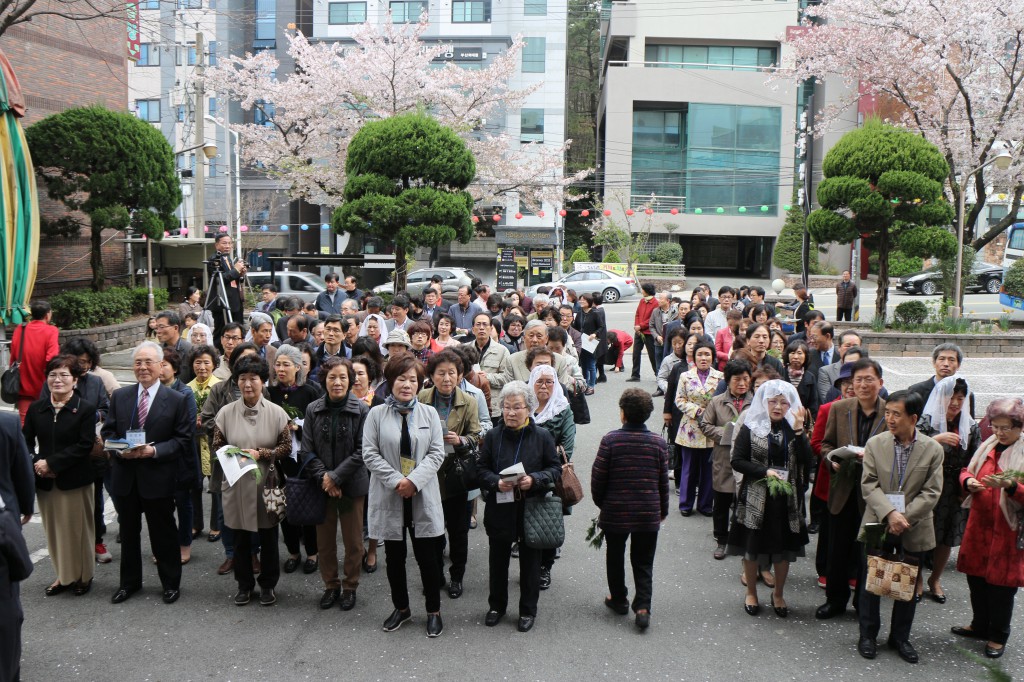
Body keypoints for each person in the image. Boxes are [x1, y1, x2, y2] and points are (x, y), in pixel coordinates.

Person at [362, 354, 447, 638]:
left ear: (419, 383)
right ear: (391, 381)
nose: (407, 385)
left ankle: (433, 611)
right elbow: (369, 454)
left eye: (413, 379)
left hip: (421, 494)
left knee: (428, 558)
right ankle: (402, 608)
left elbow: (436, 453)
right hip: (390, 494)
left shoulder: (430, 414)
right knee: (395, 559)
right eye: (401, 379)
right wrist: (398, 480)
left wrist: (413, 481)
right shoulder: (376, 414)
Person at [101, 341, 192, 605]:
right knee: (128, 533)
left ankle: (170, 583)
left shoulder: (175, 399)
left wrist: (153, 452)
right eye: (138, 362)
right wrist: (119, 450)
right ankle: (129, 583)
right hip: (126, 476)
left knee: (163, 533)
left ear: (161, 365)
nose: (142, 367)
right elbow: (108, 433)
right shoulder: (120, 396)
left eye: (148, 362)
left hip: (158, 476)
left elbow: (182, 440)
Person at [856, 390, 942, 664]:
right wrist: (891, 513)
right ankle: (867, 634)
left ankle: (900, 637)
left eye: (897, 414)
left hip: (913, 525)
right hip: (877, 519)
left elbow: (931, 492)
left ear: (913, 418)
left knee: (907, 582)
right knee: (872, 579)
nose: (890, 419)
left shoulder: (932, 449)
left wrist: (904, 518)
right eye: (888, 412)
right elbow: (868, 484)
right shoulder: (875, 444)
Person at [477, 381, 561, 633]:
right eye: (506, 407)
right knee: (498, 560)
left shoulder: (543, 436)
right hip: (500, 508)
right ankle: (497, 606)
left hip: (531, 507)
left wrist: (534, 479)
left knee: (530, 563)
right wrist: (495, 482)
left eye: (517, 407)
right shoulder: (492, 436)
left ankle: (527, 610)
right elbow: (481, 469)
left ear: (529, 409)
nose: (511, 413)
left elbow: (555, 469)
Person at [213, 355, 291, 606]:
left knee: (269, 538)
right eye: (242, 379)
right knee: (240, 538)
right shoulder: (225, 413)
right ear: (236, 382)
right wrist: (235, 453)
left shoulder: (277, 413)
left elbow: (286, 447)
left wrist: (263, 454)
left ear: (262, 381)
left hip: (267, 484)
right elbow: (217, 445)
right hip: (236, 483)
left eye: (253, 379)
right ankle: (244, 585)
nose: (248, 384)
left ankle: (268, 585)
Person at [728, 380, 811, 618]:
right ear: (763, 402)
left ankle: (779, 594)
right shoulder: (752, 425)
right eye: (772, 401)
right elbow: (737, 460)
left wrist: (799, 431)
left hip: (786, 499)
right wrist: (764, 472)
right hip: (756, 495)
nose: (777, 406)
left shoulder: (792, 427)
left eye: (783, 402)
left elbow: (807, 459)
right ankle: (751, 592)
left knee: (783, 549)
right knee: (752, 547)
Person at [816, 358, 888, 620]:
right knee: (837, 550)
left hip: (875, 496)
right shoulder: (839, 408)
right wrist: (832, 459)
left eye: (869, 379)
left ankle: (863, 603)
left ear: (880, 382)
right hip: (843, 490)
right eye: (858, 380)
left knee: (868, 552)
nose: (863, 385)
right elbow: (825, 444)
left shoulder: (890, 412)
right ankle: (835, 600)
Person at [592, 388, 669, 630]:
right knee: (644, 560)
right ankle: (643, 606)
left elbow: (598, 477)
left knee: (615, 555)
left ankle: (619, 598)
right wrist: (662, 509)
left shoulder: (611, 440)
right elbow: (662, 482)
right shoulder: (658, 442)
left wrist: (602, 503)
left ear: (622, 413)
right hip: (648, 511)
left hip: (616, 510)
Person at [955, 397, 1024, 660]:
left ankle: (998, 635)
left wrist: (1011, 487)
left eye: (1006, 427)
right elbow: (965, 470)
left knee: (1001, 587)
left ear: (1019, 426)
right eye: (995, 426)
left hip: (1007, 529)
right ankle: (979, 624)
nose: (999, 432)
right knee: (976, 579)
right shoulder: (987, 446)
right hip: (980, 525)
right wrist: (969, 480)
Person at [24, 356, 97, 596]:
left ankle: (83, 576)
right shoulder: (37, 408)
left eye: (64, 375)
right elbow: (24, 443)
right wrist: (38, 464)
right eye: (53, 375)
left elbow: (84, 444)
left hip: (75, 479)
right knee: (54, 531)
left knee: (79, 529)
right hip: (45, 480)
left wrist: (53, 463)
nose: (58, 380)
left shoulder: (85, 408)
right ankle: (63, 576)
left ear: (75, 380)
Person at [302, 356, 370, 611]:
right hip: (322, 487)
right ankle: (330, 585)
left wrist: (336, 477)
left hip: (351, 487)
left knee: (353, 541)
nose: (338, 382)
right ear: (324, 380)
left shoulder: (362, 410)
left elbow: (363, 451)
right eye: (332, 377)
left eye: (343, 377)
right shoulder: (313, 409)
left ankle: (350, 586)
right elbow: (306, 451)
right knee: (325, 542)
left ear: (351, 380)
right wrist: (325, 478)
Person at [418, 350, 482, 600]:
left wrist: (461, 439)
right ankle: (435, 575)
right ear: (432, 376)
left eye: (451, 373)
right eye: (441, 373)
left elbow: (477, 436)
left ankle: (457, 576)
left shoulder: (469, 401)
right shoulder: (422, 397)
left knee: (458, 532)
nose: (446, 378)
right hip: (428, 475)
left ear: (459, 375)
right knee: (431, 531)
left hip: (456, 475)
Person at [916, 375, 981, 602]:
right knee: (922, 533)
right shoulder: (926, 421)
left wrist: (968, 483)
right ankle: (917, 579)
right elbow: (911, 449)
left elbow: (976, 459)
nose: (954, 403)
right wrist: (936, 439)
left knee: (946, 535)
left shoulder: (971, 426)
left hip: (955, 488)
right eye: (950, 397)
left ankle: (935, 578)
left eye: (960, 398)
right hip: (927, 485)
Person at [268, 344, 321, 575]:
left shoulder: (310, 391)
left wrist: (296, 427)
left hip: (303, 458)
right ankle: (292, 552)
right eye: (278, 364)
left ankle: (312, 552)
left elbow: (317, 426)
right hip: (278, 459)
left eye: (286, 364)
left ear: (297, 367)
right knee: (282, 507)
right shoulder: (270, 392)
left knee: (306, 506)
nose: (280, 369)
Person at [528, 363, 575, 590]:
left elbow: (566, 447)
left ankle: (545, 568)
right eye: (539, 381)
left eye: (549, 381)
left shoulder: (563, 409)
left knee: (545, 525)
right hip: (523, 476)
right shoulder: (524, 407)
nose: (544, 386)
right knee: (525, 523)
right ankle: (530, 568)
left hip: (550, 478)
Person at [701, 359, 753, 559]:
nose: (742, 383)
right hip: (723, 457)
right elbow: (705, 425)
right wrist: (727, 433)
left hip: (748, 459)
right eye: (737, 379)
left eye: (745, 379)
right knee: (722, 502)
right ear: (728, 380)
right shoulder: (717, 401)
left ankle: (740, 540)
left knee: (745, 501)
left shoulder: (756, 401)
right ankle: (721, 540)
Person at [156, 348, 201, 564]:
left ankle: (184, 545)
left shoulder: (185, 393)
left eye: (165, 364)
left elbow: (189, 427)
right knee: (161, 507)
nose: (161, 368)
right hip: (157, 460)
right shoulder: (151, 391)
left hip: (181, 458)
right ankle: (165, 546)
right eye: (159, 364)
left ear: (174, 369)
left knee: (184, 503)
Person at [0, 410, 33, 682]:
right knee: (7, 601)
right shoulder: (7, 422)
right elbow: (22, 471)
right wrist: (25, 506)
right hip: (3, 523)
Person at [674, 341, 722, 517]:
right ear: (694, 357)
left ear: (713, 357)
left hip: (713, 429)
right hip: (691, 428)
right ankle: (685, 504)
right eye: (700, 354)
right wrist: (698, 411)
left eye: (707, 354)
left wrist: (711, 414)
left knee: (709, 470)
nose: (704, 358)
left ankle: (705, 504)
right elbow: (679, 400)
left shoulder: (721, 377)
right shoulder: (685, 376)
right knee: (689, 469)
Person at [187, 345, 221, 542]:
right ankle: (195, 523)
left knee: (215, 483)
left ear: (214, 365)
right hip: (192, 442)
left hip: (213, 440)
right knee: (194, 483)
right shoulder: (187, 388)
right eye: (198, 362)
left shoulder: (219, 386)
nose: (202, 367)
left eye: (206, 362)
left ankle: (216, 525)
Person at [10, 300, 61, 423]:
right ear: (47, 314)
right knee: (46, 420)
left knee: (24, 420)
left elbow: (14, 354)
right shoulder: (51, 331)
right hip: (43, 382)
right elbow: (52, 358)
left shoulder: (20, 328)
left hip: (23, 380)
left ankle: (25, 442)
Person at [908, 343, 973, 416]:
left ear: (958, 365)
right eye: (941, 359)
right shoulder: (916, 391)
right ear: (934, 362)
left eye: (951, 360)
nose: (946, 364)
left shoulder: (967, 394)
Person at [206, 233, 245, 344]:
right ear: (216, 245)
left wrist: (241, 274)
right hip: (222, 301)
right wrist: (235, 270)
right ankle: (220, 355)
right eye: (224, 243)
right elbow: (219, 280)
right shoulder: (214, 259)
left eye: (229, 243)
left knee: (238, 330)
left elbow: (234, 280)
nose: (227, 246)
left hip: (235, 300)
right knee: (222, 331)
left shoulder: (228, 258)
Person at [817, 331, 862, 405]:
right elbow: (827, 399)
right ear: (839, 347)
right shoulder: (826, 371)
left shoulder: (869, 372)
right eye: (847, 345)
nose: (851, 349)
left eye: (855, 346)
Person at [573, 293, 607, 390]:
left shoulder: (595, 313)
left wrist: (595, 334)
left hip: (590, 342)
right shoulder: (579, 313)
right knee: (583, 365)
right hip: (581, 341)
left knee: (591, 364)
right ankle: (585, 383)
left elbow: (601, 326)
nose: (581, 301)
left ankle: (591, 385)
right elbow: (575, 327)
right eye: (580, 300)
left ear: (589, 301)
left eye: (584, 300)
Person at [628, 283, 659, 382]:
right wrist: (637, 326)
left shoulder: (655, 303)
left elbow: (651, 319)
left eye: (643, 289)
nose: (641, 291)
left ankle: (658, 374)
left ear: (647, 291)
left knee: (652, 355)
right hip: (639, 332)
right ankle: (635, 375)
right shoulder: (642, 301)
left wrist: (640, 326)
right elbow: (637, 314)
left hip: (649, 333)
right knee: (636, 353)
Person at [154, 311, 194, 384]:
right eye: (156, 328)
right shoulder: (157, 351)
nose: (158, 331)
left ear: (175, 328)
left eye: (162, 327)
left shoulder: (190, 350)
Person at [783, 341, 818, 415]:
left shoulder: (810, 377)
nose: (795, 357)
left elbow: (813, 404)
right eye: (792, 353)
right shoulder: (780, 374)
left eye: (799, 353)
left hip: (802, 419)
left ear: (806, 356)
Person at [649, 292, 677, 372]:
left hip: (670, 343)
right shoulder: (655, 311)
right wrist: (657, 336)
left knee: (670, 363)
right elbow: (651, 326)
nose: (659, 300)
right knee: (659, 364)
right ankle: (659, 381)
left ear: (668, 301)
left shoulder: (675, 311)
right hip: (659, 342)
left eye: (661, 299)